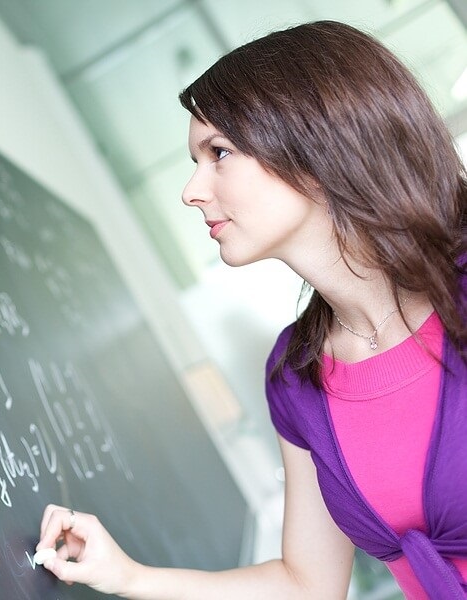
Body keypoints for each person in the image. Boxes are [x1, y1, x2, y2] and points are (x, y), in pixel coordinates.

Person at [37, 20, 467, 599]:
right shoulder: (297, 375)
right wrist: (130, 576)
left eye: (218, 153)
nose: (192, 190)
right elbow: (308, 584)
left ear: (316, 145)